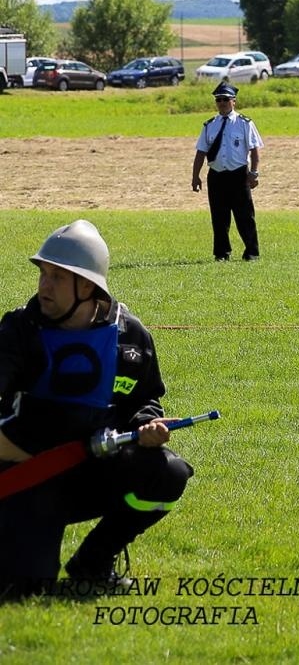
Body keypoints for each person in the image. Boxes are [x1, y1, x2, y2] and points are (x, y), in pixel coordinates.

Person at [0, 220, 193, 598]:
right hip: (27, 477)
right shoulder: (18, 332)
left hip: (95, 472)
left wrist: (147, 425)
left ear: (87, 286)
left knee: (168, 473)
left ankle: (94, 562)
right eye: (43, 273)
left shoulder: (131, 336)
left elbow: (144, 399)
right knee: (21, 590)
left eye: (58, 277)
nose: (44, 286)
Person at [190, 82, 262, 261]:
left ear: (234, 101)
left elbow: (254, 150)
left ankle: (251, 252)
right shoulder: (209, 125)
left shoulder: (244, 123)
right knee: (219, 218)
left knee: (245, 216)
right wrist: (195, 176)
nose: (222, 103)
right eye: (218, 100)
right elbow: (201, 151)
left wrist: (253, 173)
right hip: (216, 176)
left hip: (238, 175)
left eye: (225, 99)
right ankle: (221, 253)